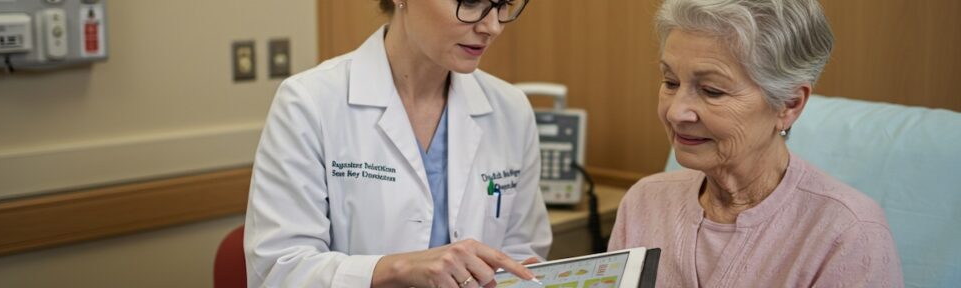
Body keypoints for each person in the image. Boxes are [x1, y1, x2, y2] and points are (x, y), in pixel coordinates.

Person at [244, 0, 551, 287]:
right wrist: (400, 268)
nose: (493, 27)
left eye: (502, 4)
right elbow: (279, 270)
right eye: (470, 1)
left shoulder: (510, 108)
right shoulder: (309, 103)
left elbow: (522, 257)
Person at [608, 0, 904, 286]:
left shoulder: (847, 234)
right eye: (670, 82)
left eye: (711, 91)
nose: (675, 112)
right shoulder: (644, 203)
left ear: (788, 104)